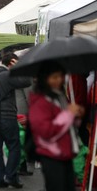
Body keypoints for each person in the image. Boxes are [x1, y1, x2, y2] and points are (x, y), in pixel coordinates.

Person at [29, 62, 84, 191]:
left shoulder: (59, 96)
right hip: (51, 154)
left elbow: (68, 125)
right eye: (54, 77)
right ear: (45, 78)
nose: (58, 80)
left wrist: (75, 116)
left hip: (65, 153)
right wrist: (69, 114)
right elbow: (45, 131)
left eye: (60, 76)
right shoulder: (40, 100)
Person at [0, 53, 31, 189]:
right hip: (7, 116)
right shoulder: (8, 75)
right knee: (14, 146)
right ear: (11, 62)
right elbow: (26, 81)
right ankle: (11, 176)